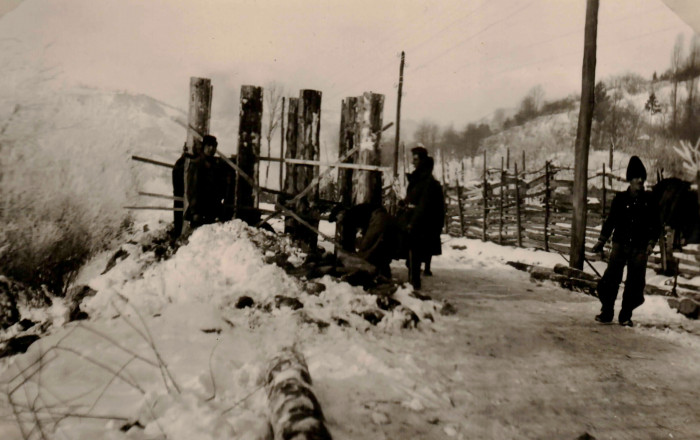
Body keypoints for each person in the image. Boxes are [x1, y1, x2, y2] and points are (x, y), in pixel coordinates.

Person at [591, 156, 660, 327]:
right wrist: (601, 240)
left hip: (640, 248)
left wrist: (651, 243)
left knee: (635, 282)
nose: (640, 180)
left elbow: (656, 224)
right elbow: (611, 221)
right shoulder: (620, 199)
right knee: (611, 278)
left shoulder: (649, 200)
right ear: (630, 179)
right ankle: (607, 312)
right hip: (620, 245)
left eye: (642, 177)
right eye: (636, 177)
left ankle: (625, 316)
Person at [401, 145, 444, 290]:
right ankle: (412, 283)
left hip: (422, 223)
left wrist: (412, 223)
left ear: (422, 160)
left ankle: (414, 286)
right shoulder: (419, 178)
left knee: (415, 254)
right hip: (415, 220)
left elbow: (423, 204)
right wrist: (404, 202)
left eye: (415, 159)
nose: (413, 162)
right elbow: (414, 197)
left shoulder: (426, 181)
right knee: (412, 255)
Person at [331, 203, 398, 278]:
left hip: (378, 219)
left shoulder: (348, 215)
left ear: (341, 213)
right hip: (386, 218)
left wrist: (346, 252)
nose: (337, 221)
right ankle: (384, 273)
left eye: (336, 218)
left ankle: (368, 275)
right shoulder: (356, 211)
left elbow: (349, 239)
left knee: (365, 250)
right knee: (379, 248)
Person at [185, 135, 224, 228]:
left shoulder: (215, 164)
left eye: (214, 146)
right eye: (208, 146)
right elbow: (192, 190)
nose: (211, 149)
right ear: (204, 147)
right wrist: (195, 212)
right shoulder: (197, 164)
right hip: (200, 211)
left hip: (212, 210)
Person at [420, 157, 445, 276]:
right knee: (425, 245)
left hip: (428, 218)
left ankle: (424, 267)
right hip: (429, 219)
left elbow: (440, 205)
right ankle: (424, 267)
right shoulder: (434, 184)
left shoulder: (432, 184)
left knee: (425, 244)